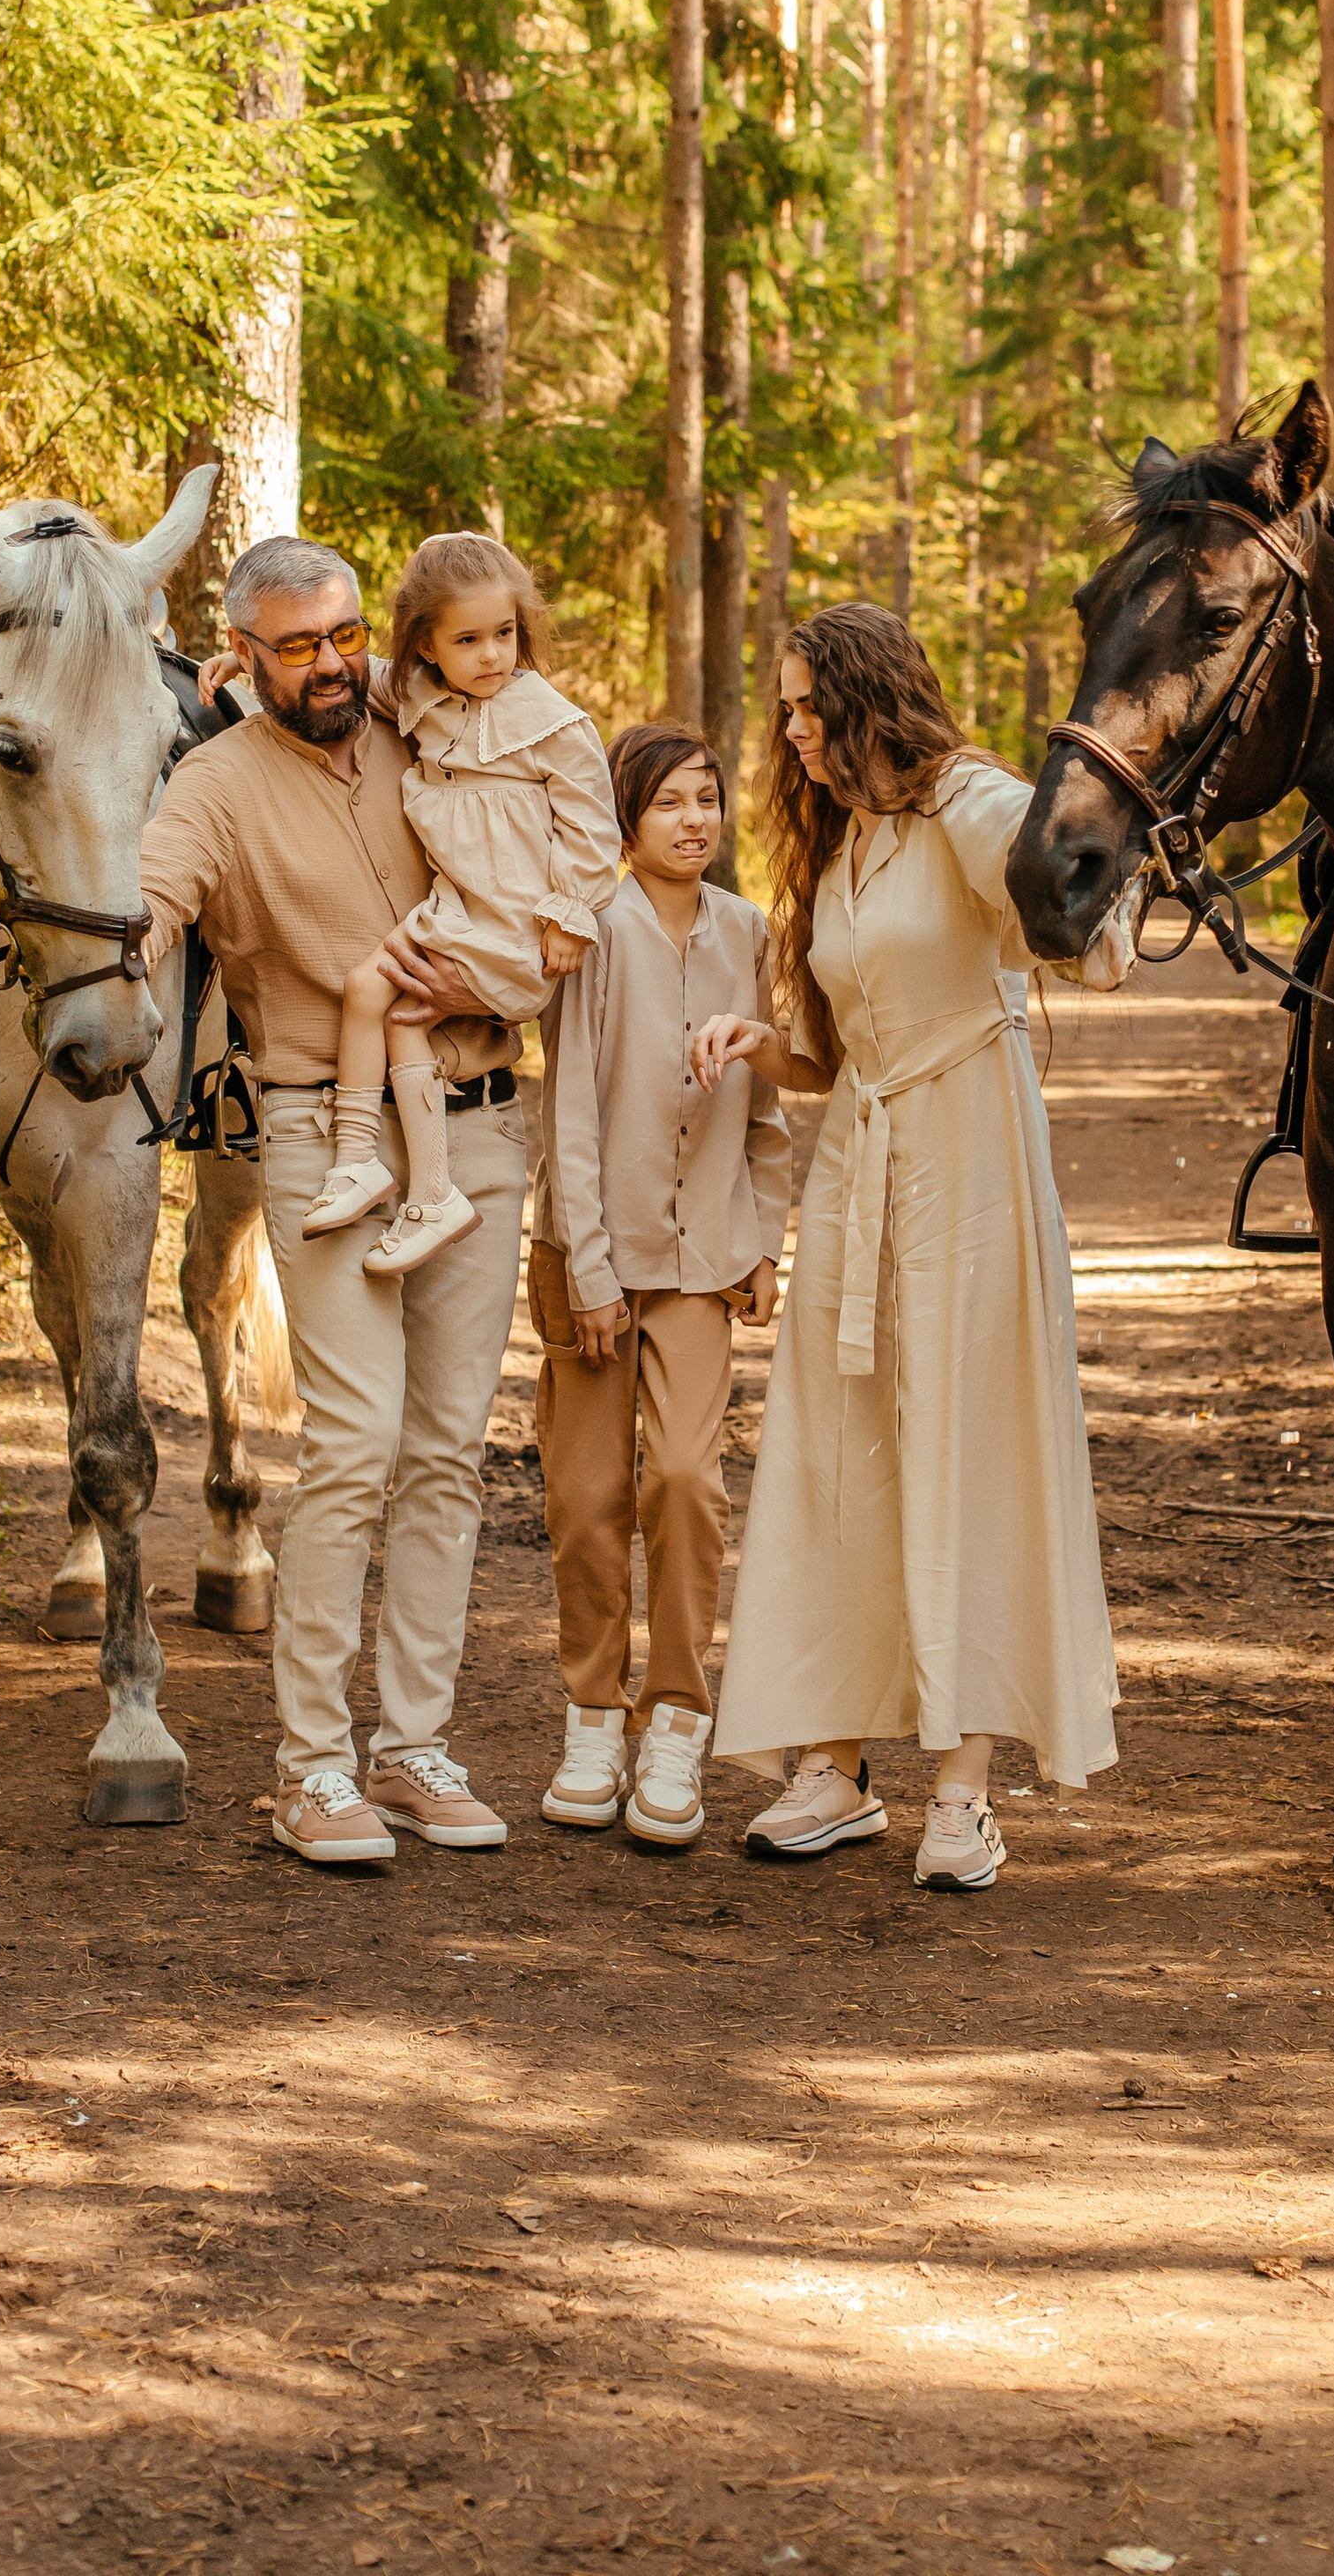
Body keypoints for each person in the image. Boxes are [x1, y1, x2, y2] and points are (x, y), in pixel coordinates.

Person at [689, 603, 1126, 1895]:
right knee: (838, 1446)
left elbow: (1075, 912)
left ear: (873, 699)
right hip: (864, 1164)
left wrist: (1105, 853)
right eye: (785, 710)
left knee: (964, 1441)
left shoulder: (972, 807)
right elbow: (833, 1057)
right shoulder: (839, 848)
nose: (795, 731)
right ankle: (830, 1765)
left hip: (972, 1162)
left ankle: (964, 1786)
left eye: (811, 707)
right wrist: (756, 1043)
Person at [138, 535, 537, 1870]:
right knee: (357, 1446)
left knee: (446, 1454)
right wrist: (123, 947)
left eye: (347, 634)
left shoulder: (432, 724)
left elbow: (549, 757)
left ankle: (413, 1745)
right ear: (241, 654)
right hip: (325, 1139)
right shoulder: (213, 781)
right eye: (298, 645)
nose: (331, 664)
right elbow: (155, 891)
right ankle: (312, 1769)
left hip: (481, 1133)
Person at [203, 532, 619, 1278]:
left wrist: (570, 914)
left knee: (396, 1012)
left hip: (517, 928)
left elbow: (593, 825)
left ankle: (421, 1189)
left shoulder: (551, 720)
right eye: (468, 640)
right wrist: (255, 662)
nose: (492, 655)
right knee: (373, 993)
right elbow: (344, 672)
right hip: (456, 915)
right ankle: (367, 1164)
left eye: (505, 634)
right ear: (427, 645)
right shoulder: (418, 695)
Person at [529, 723, 791, 1848]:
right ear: (627, 818)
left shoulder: (750, 933)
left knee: (686, 1480)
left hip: (702, 1262)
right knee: (585, 1502)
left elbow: (769, 1105)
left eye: (708, 800)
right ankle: (594, 1715)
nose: (694, 821)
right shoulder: (593, 931)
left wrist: (762, 1236)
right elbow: (570, 1111)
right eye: (670, 803)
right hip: (590, 1257)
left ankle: (676, 1718)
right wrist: (588, 1269)